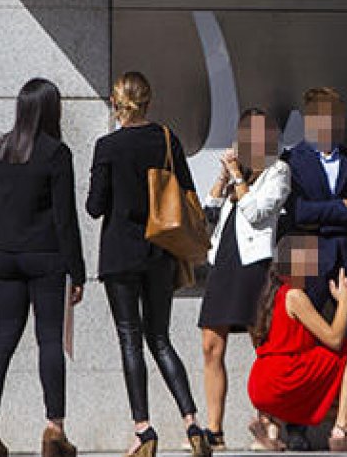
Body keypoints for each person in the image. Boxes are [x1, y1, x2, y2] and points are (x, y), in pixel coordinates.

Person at [86, 71, 212, 457]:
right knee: (161, 338)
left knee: (130, 338)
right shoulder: (167, 139)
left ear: (115, 102)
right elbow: (188, 191)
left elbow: (94, 207)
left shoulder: (107, 146)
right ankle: (193, 422)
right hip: (160, 251)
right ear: (148, 100)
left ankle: (143, 430)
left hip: (121, 254)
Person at [0, 78, 86, 457]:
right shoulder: (56, 154)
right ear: (51, 110)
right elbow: (65, 218)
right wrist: (79, 271)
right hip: (46, 257)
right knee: (50, 340)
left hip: (4, 257)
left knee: (2, 338)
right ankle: (54, 429)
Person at [283, 87, 347, 450]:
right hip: (310, 261)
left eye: (334, 120)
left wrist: (323, 211)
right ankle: (296, 428)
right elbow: (296, 213)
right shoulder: (292, 161)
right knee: (301, 344)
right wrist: (342, 206)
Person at [199, 109, 291, 451]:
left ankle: (269, 427)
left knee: (263, 348)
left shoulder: (279, 171)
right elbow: (208, 212)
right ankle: (214, 430)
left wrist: (238, 178)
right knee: (211, 345)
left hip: (255, 264)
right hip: (224, 260)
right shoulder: (242, 172)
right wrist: (224, 177)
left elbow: (256, 213)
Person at [247, 235, 347, 452]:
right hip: (286, 376)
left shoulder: (272, 295)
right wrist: (344, 302)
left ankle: (270, 428)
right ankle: (343, 429)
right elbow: (334, 340)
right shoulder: (294, 295)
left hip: (262, 383)